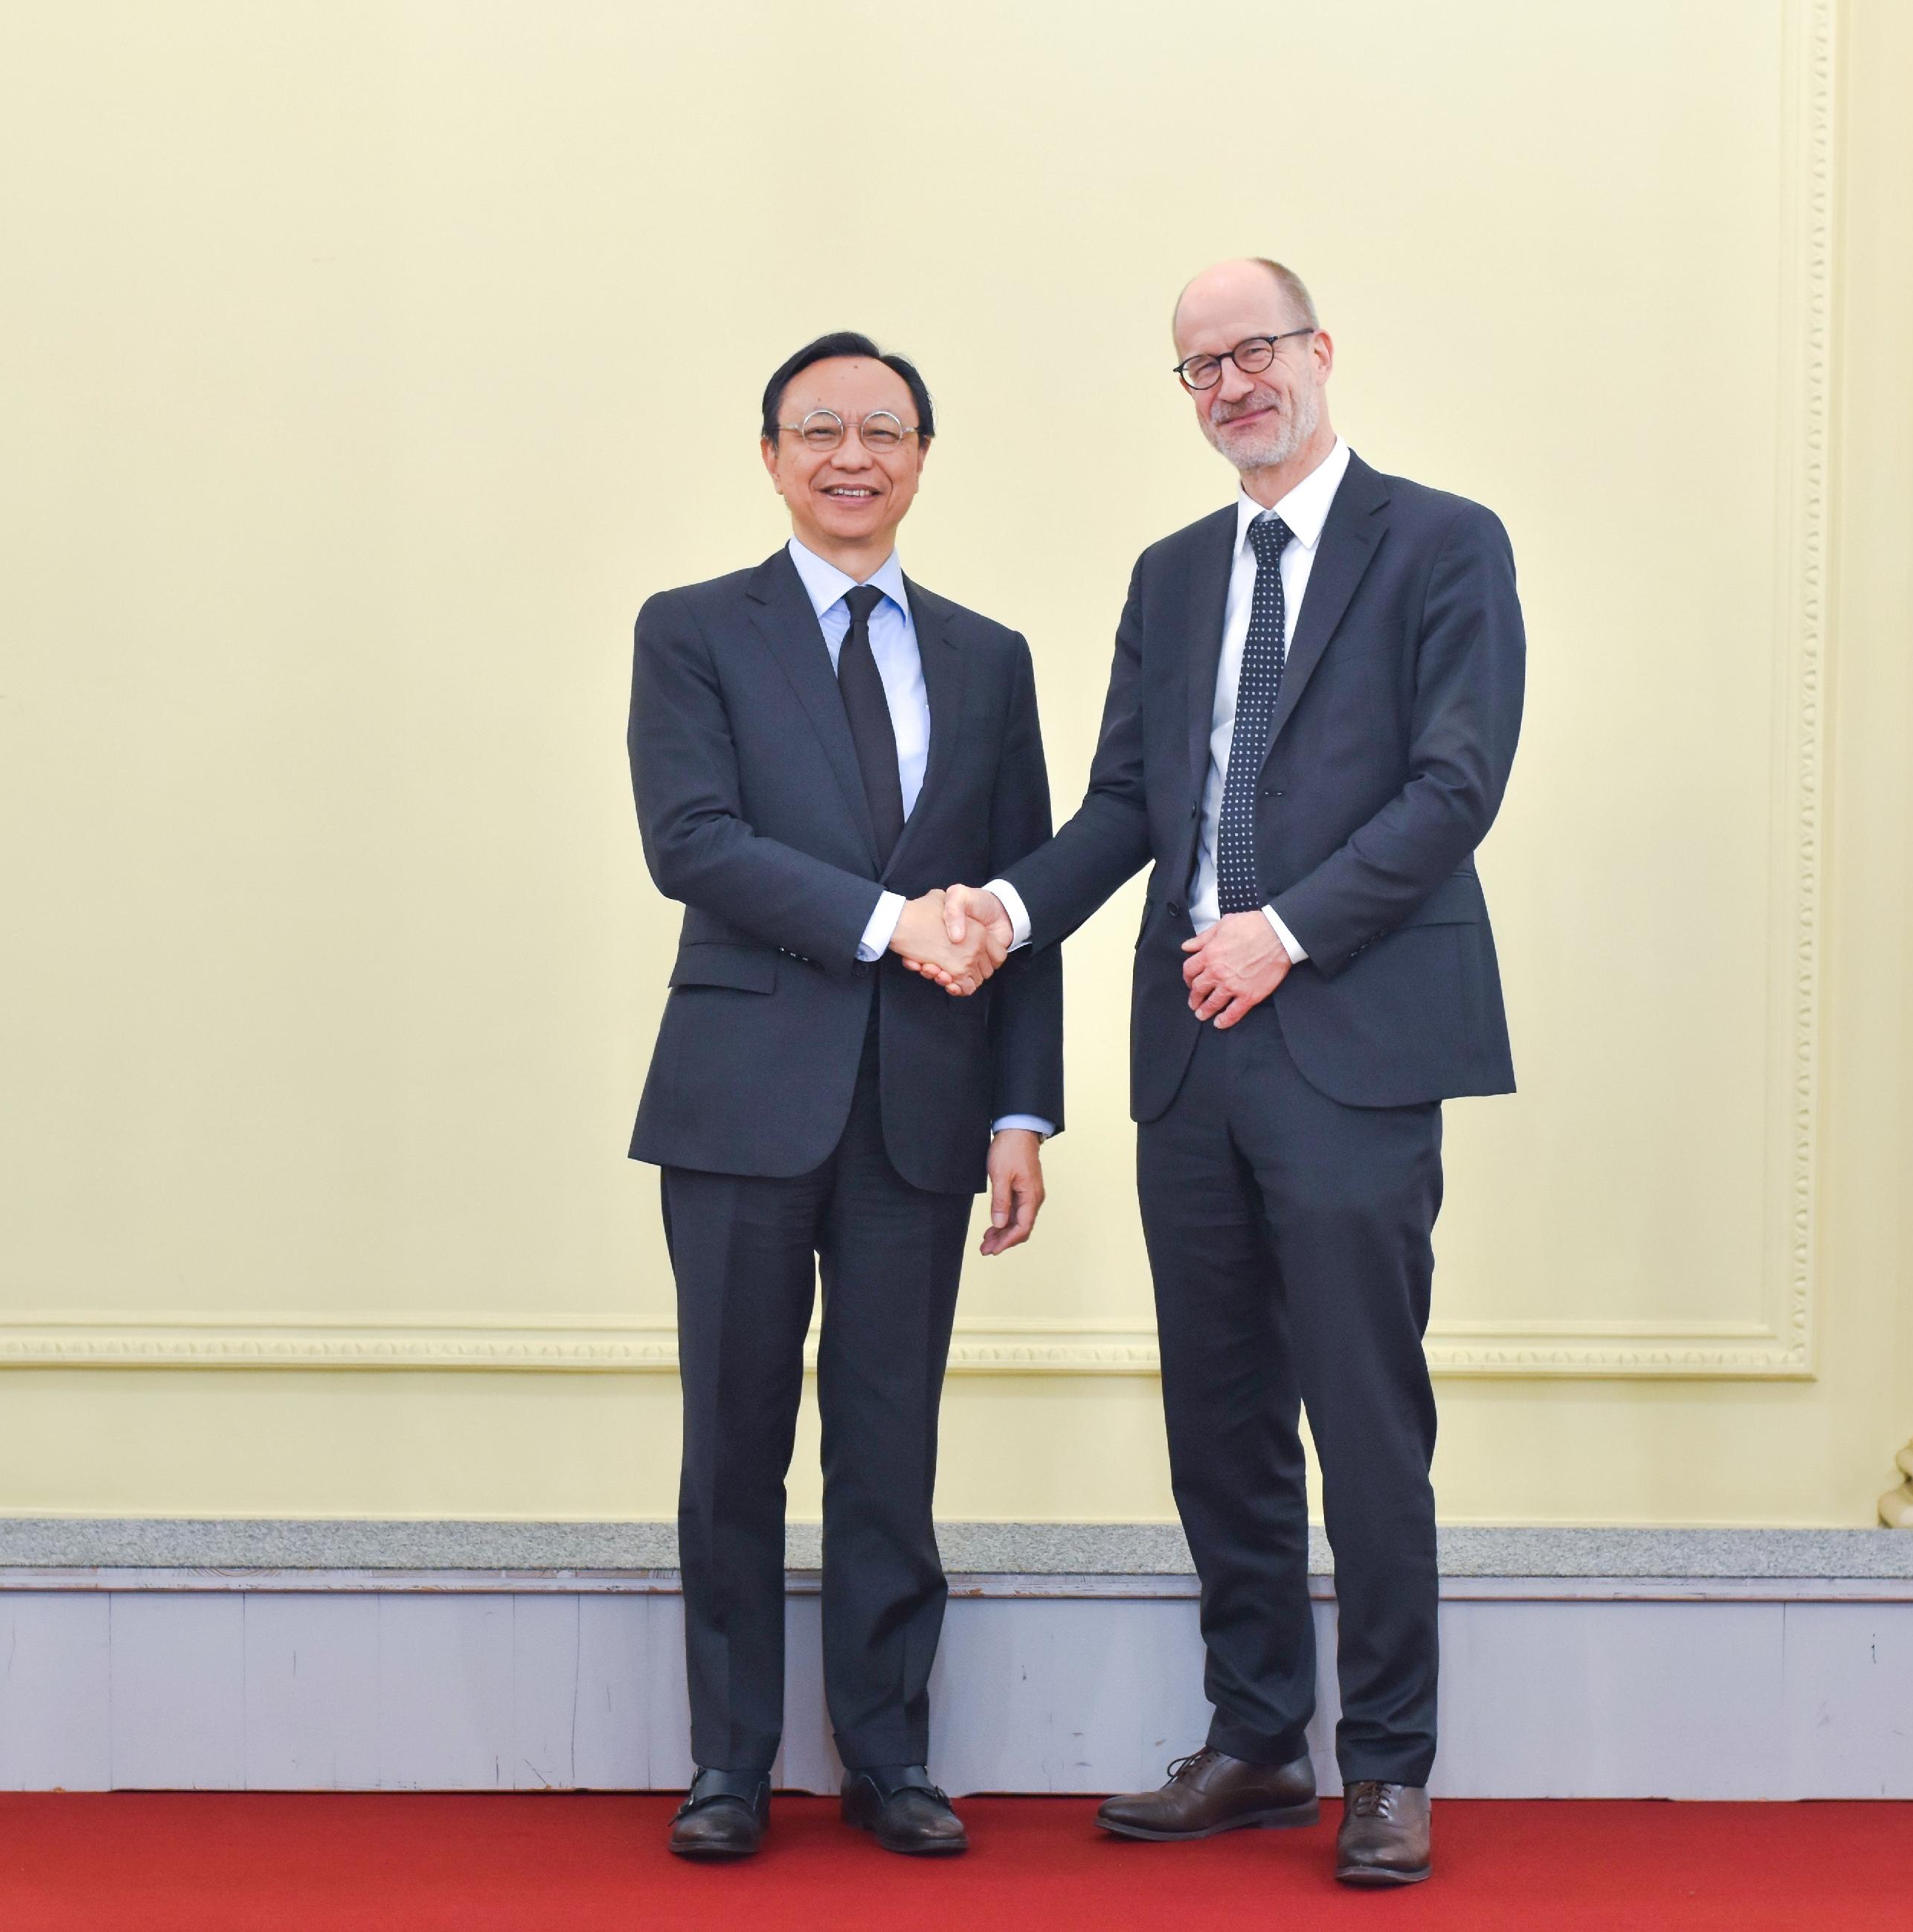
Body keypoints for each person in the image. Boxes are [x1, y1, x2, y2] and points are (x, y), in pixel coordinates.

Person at [936, 260, 1524, 1888]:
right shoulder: (1174, 572)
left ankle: (1390, 1769)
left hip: (1348, 1040)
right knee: (1219, 1423)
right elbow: (1128, 802)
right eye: (1195, 368)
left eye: (1251, 350)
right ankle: (1260, 1738)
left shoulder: (1442, 543)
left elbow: (1452, 783)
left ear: (1319, 352)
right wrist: (1000, 908)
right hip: (1189, 1059)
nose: (1228, 386)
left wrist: (1287, 929)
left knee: (1362, 1414)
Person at [626, 331, 1063, 1862]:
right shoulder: (690, 631)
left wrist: (1021, 1113)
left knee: (891, 1440)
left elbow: (1022, 904)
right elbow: (689, 839)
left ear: (922, 457)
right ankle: (728, 1763)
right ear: (769, 455)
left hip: (922, 1112)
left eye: (882, 428)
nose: (851, 454)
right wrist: (890, 924)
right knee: (732, 1437)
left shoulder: (990, 656)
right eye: (819, 429)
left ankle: (887, 1757)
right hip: (741, 1097)